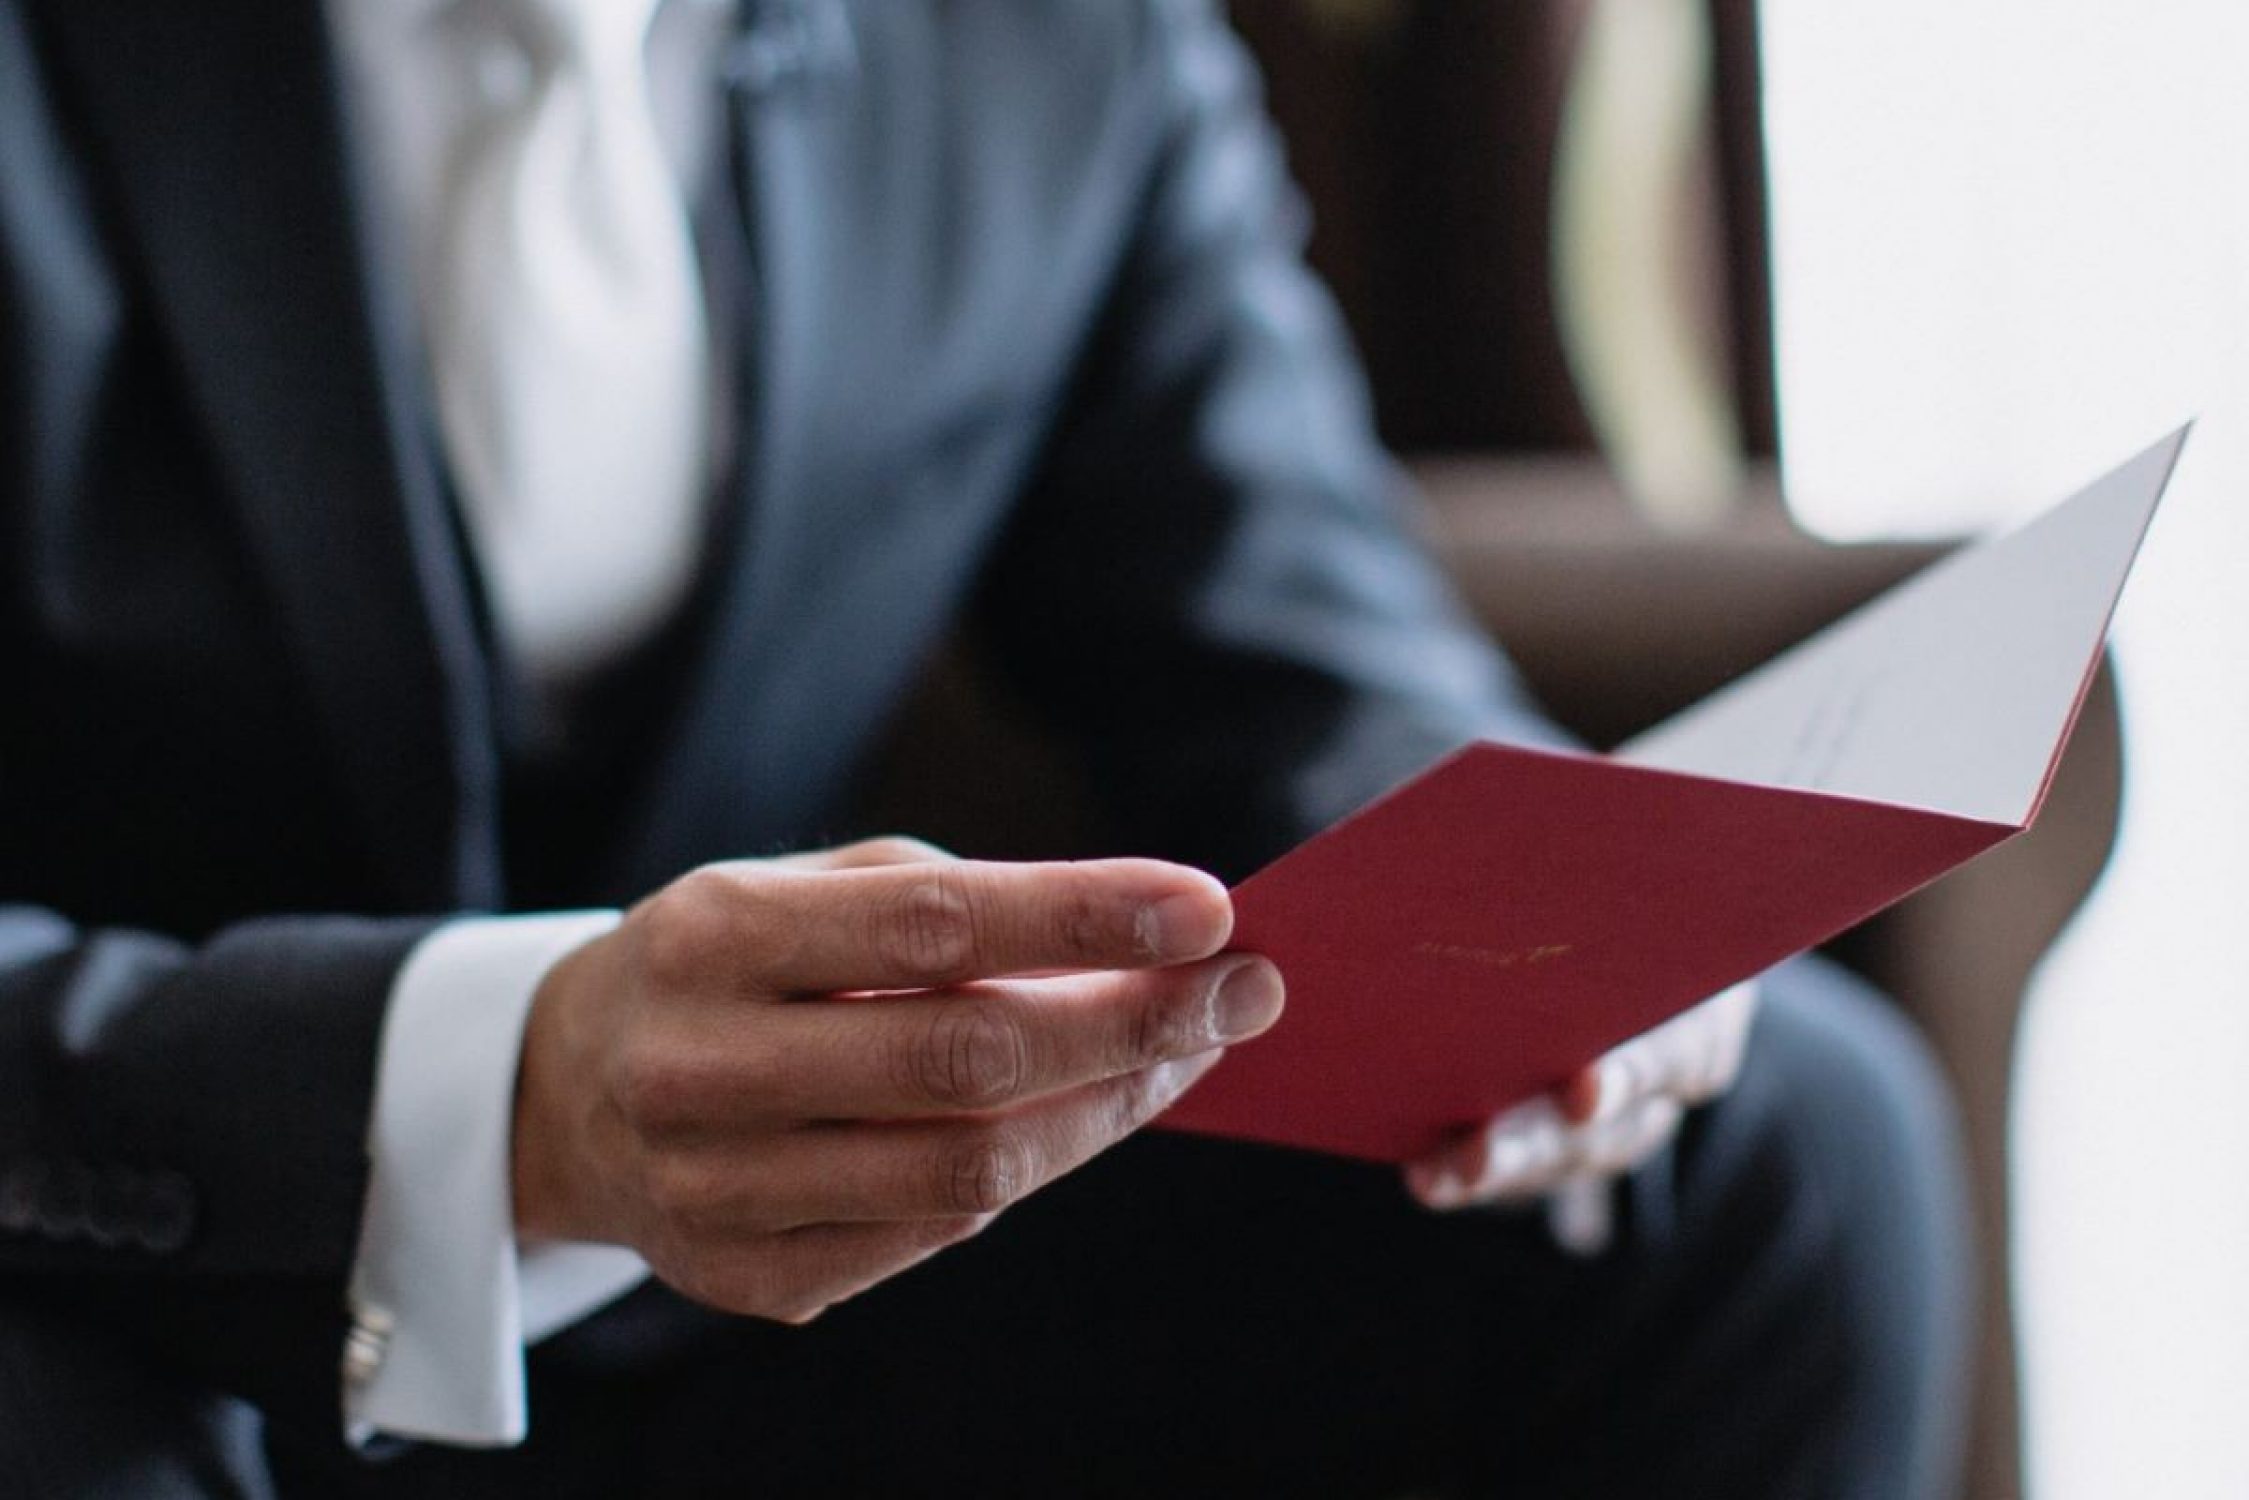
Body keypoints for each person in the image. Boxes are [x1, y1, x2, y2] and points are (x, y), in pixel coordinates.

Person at [0, 0, 1973, 1494]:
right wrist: (485, 1105)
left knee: (1795, 1154)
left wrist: (1553, 916)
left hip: (772, 1306)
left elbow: (1290, 626)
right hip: (117, 1235)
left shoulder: (1052, 36)